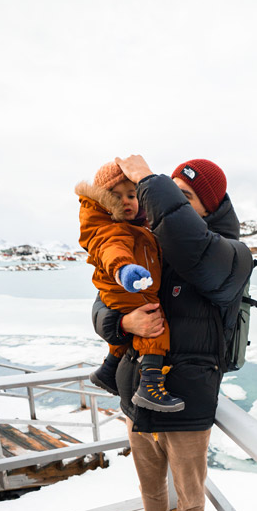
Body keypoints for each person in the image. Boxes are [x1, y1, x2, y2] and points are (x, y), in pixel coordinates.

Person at [93, 155, 253, 511]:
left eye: (183, 200)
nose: (162, 209)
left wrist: (150, 180)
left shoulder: (230, 255)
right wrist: (122, 320)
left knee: (189, 493)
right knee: (150, 488)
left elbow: (193, 250)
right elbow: (102, 302)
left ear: (209, 207)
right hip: (136, 398)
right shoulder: (148, 245)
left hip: (187, 402)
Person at [76, 161, 184, 412]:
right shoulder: (113, 229)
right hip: (127, 286)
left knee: (137, 329)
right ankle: (150, 385)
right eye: (116, 196)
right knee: (155, 327)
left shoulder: (136, 227)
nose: (125, 201)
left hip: (126, 288)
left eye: (131, 195)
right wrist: (124, 270)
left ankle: (108, 369)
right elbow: (113, 250)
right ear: (103, 199)